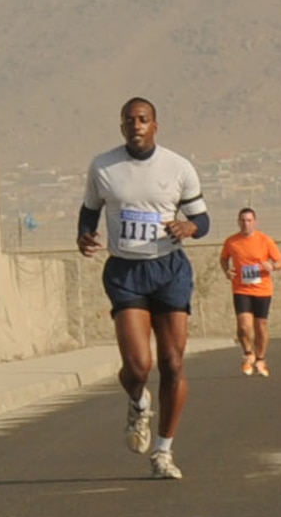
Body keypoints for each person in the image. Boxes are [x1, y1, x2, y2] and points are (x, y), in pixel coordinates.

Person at [77, 97, 210, 480]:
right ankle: (138, 403)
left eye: (143, 119)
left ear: (155, 125)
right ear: (121, 127)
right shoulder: (104, 166)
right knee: (138, 366)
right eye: (129, 120)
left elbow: (202, 218)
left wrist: (189, 228)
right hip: (125, 271)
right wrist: (84, 235)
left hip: (169, 269)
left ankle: (164, 451)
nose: (136, 125)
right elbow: (89, 210)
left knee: (172, 364)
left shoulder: (178, 166)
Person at [219, 207, 281, 376]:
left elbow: (280, 262)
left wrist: (272, 266)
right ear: (238, 221)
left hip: (262, 289)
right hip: (241, 288)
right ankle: (248, 353)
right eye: (242, 220)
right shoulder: (231, 241)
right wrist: (227, 270)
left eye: (249, 220)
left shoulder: (265, 240)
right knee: (244, 325)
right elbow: (224, 258)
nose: (245, 223)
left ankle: (261, 358)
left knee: (260, 326)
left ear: (254, 222)